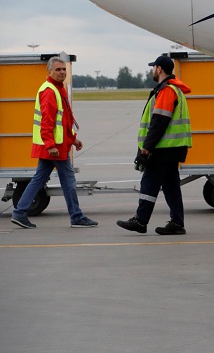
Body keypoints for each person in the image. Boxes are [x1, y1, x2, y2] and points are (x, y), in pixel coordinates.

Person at [10, 56, 98, 229]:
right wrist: (50, 145)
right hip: (54, 148)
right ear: (49, 71)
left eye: (64, 69)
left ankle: (19, 213)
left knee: (38, 179)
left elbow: (64, 121)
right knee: (68, 181)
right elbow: (47, 122)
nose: (62, 72)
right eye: (58, 70)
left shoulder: (58, 89)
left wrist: (73, 140)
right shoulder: (50, 91)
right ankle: (76, 217)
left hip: (55, 146)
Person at [117, 55, 192, 236]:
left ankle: (141, 221)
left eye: (154, 67)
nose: (153, 70)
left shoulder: (167, 91)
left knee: (149, 182)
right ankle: (177, 222)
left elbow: (159, 121)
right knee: (170, 185)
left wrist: (146, 148)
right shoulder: (173, 89)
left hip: (163, 149)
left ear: (159, 69)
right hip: (173, 147)